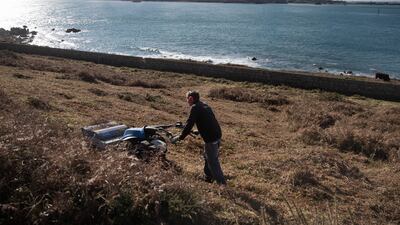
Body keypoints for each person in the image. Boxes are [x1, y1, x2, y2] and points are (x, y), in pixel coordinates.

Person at [171, 91, 226, 185]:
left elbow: (189, 124)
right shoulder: (204, 104)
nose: (187, 101)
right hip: (217, 134)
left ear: (191, 98)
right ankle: (208, 177)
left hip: (211, 138)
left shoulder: (195, 107)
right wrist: (199, 131)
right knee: (207, 156)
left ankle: (222, 184)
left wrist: (180, 137)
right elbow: (208, 119)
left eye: (187, 99)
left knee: (213, 161)